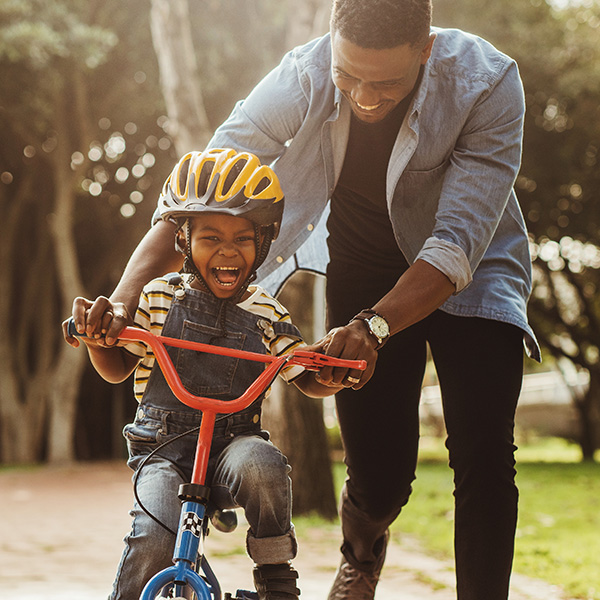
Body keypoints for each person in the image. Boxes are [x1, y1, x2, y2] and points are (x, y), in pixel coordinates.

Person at [82, 1, 541, 598]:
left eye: (387, 83)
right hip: (365, 267)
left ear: (426, 49)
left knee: (483, 454)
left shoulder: (490, 82)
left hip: (472, 270)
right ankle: (362, 551)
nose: (365, 98)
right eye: (349, 76)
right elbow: (207, 190)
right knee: (380, 477)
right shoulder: (304, 73)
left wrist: (375, 327)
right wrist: (124, 296)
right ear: (331, 43)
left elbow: (455, 245)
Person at [64, 149, 354, 600]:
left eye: (243, 238)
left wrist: (330, 372)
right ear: (183, 240)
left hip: (231, 450)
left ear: (263, 242)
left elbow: (303, 372)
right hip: (162, 451)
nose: (227, 251)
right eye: (210, 237)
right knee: (156, 534)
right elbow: (118, 368)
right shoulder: (159, 297)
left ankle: (277, 578)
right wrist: (100, 341)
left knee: (263, 464)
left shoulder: (266, 312)